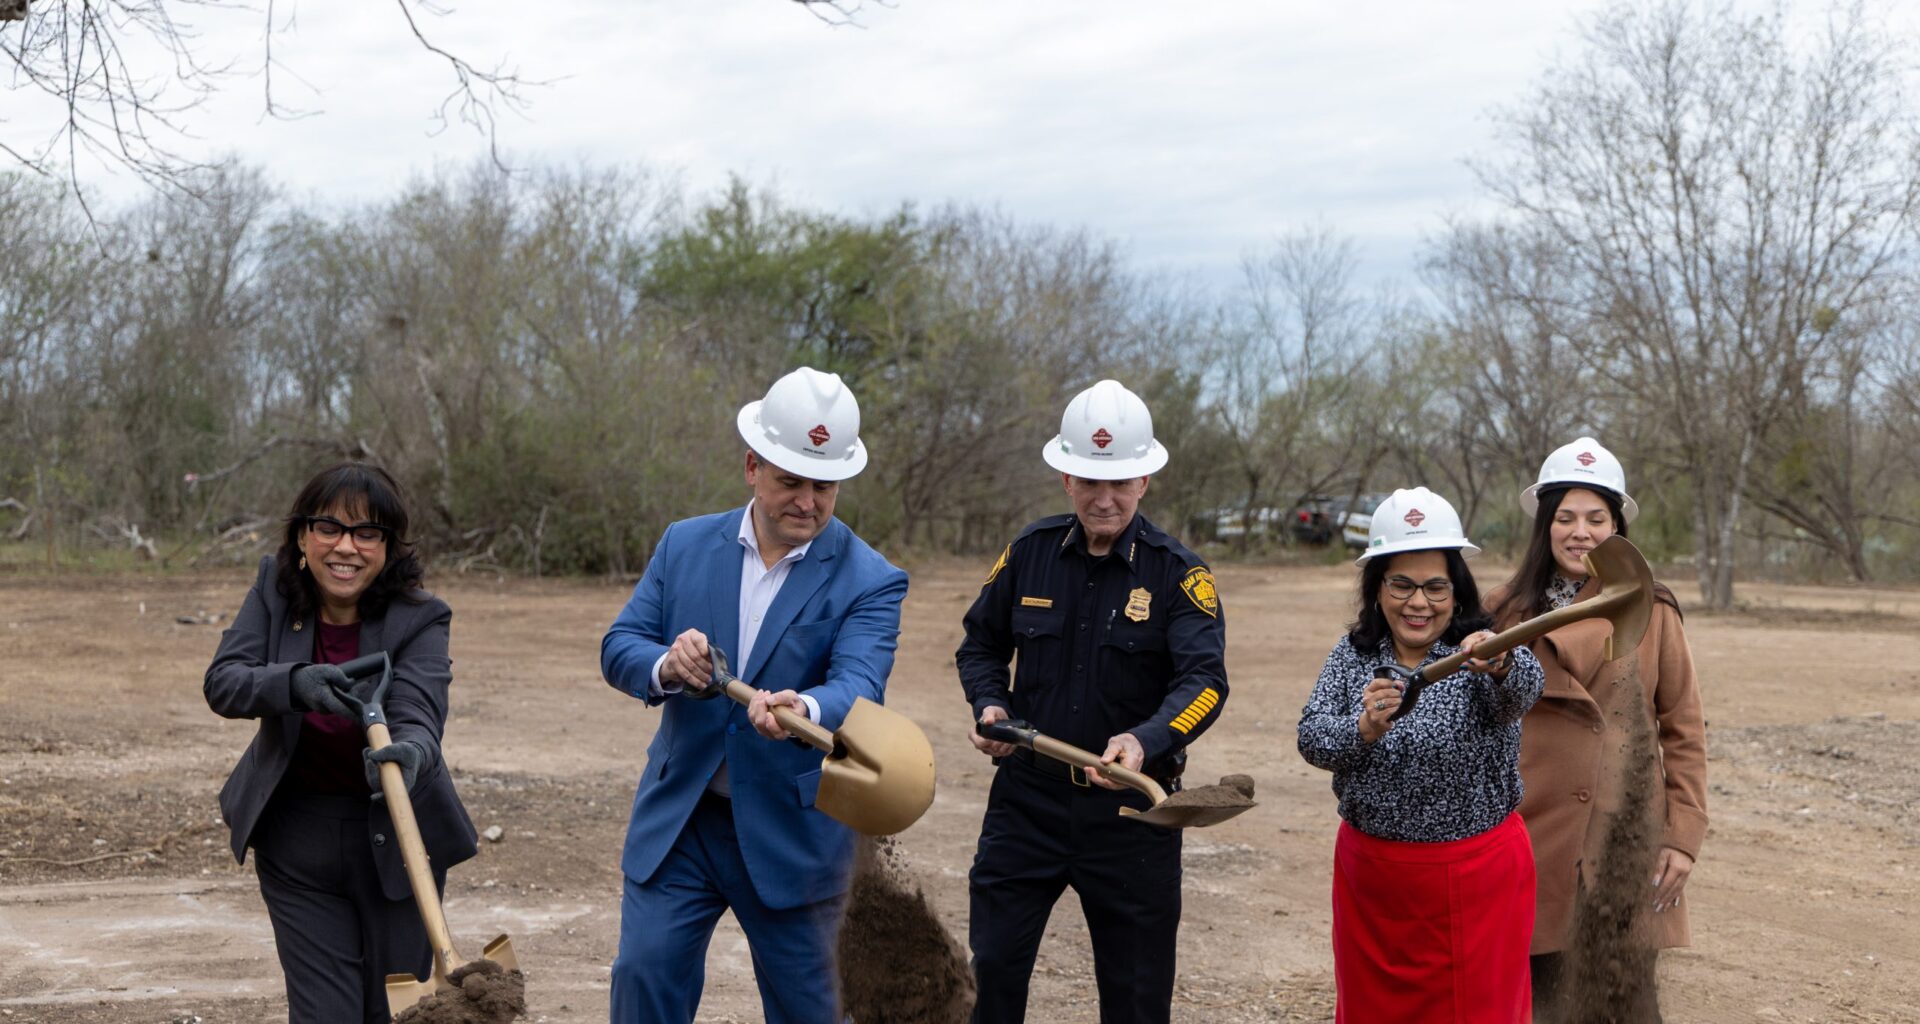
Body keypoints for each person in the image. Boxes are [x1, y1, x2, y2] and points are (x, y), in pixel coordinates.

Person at [599, 366, 909, 1024]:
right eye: (789, 480)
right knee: (642, 977)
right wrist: (664, 665)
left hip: (795, 834)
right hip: (682, 823)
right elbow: (620, 644)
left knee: (816, 1011)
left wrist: (809, 710)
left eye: (823, 485)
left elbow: (860, 682)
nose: (807, 500)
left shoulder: (871, 579)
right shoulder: (683, 545)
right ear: (752, 466)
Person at [956, 379, 1228, 1024]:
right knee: (990, 979)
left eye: (1120, 483)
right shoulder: (1028, 553)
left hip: (1132, 812)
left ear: (1144, 482)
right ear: (1065, 478)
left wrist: (1146, 740)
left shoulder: (1179, 573)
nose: (1104, 499)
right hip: (1027, 803)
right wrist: (989, 706)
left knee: (1136, 1000)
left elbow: (1205, 682)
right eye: (1088, 481)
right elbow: (979, 646)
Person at [204, 462, 477, 1024]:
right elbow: (225, 680)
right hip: (296, 842)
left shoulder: (420, 617)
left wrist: (412, 753)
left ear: (388, 548)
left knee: (392, 1012)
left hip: (400, 841)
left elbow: (421, 707)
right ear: (303, 537)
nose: (345, 547)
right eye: (329, 527)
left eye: (366, 533)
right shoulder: (274, 594)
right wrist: (294, 684)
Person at [1296, 486, 1544, 1022]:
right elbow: (1312, 738)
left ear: (1457, 590)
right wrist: (1362, 728)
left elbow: (1524, 689)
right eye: (1402, 585)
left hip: (1477, 878)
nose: (1418, 603)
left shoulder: (1479, 649)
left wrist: (1499, 663)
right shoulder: (1353, 654)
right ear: (1377, 587)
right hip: (1376, 879)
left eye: (1436, 587)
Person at [1487, 437, 1705, 1021]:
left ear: (1616, 529)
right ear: (1544, 525)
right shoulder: (1503, 614)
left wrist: (1682, 835)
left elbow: (1682, 727)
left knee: (1625, 998)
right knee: (1541, 999)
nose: (1579, 532)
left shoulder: (1653, 609)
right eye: (1564, 518)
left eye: (1595, 518)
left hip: (1622, 832)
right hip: (1530, 832)